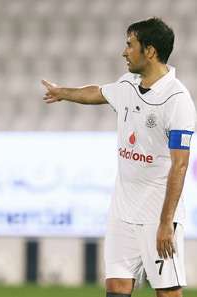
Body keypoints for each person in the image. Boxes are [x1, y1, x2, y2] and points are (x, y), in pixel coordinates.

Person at [41, 17, 195, 297]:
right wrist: (62, 92)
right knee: (116, 286)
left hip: (156, 215)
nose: (124, 52)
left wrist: (165, 223)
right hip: (122, 211)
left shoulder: (178, 99)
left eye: (130, 45)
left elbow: (180, 165)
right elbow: (97, 93)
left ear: (150, 51)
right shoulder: (128, 85)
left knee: (168, 291)